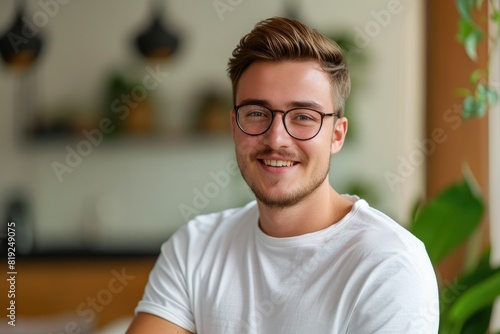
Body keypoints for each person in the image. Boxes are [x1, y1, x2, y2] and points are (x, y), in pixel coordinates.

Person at [126, 16, 439, 333]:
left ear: (337, 135)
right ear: (234, 127)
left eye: (303, 116)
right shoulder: (195, 247)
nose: (276, 139)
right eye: (257, 113)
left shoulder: (389, 265)